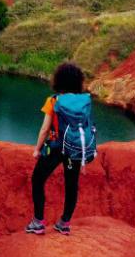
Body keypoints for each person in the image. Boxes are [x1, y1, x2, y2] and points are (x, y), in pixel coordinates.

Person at [26, 61, 93, 237]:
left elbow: (44, 129)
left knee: (37, 180)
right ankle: (64, 223)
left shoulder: (54, 100)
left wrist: (37, 149)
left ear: (59, 80)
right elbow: (86, 128)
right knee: (71, 186)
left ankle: (38, 222)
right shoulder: (84, 102)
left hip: (56, 148)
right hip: (74, 150)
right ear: (78, 81)